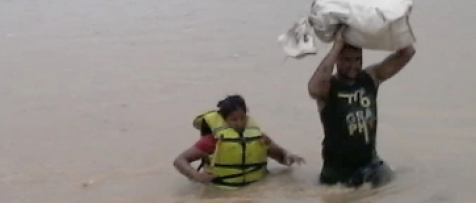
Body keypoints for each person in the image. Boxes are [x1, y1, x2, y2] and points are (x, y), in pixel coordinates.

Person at [307, 27, 416, 188]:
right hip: (338, 170)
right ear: (337, 60)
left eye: (358, 59)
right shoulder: (329, 88)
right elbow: (313, 88)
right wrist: (337, 46)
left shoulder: (371, 78)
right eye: (347, 60)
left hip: (370, 164)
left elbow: (407, 53)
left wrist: (388, 27)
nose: (353, 65)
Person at [173, 95, 305, 189]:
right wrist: (195, 175)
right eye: (233, 120)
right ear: (225, 120)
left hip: (256, 189)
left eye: (242, 118)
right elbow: (180, 160)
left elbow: (280, 156)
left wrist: (290, 157)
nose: (239, 123)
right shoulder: (212, 140)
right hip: (221, 191)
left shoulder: (258, 136)